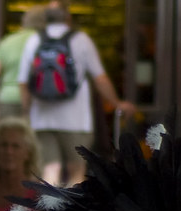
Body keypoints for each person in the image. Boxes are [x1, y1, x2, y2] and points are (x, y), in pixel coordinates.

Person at [17, 2, 134, 186]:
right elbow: (100, 78)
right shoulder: (81, 40)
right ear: (68, 17)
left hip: (42, 118)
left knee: (49, 169)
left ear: (46, 18)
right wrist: (117, 103)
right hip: (76, 119)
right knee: (76, 170)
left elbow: (23, 82)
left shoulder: (34, 40)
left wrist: (26, 113)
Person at [0, 5, 46, 129]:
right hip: (38, 100)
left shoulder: (8, 41)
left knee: (9, 141)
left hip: (8, 99)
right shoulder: (44, 42)